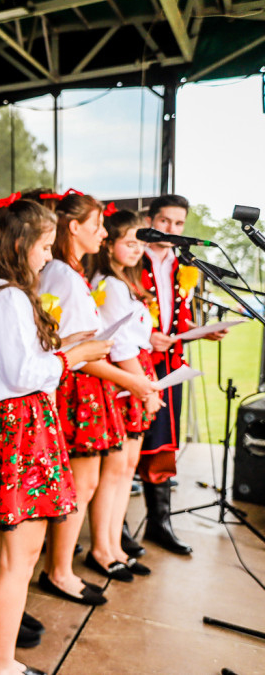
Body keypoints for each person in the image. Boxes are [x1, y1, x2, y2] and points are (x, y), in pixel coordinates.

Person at [0, 199, 112, 675]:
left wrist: (61, 346)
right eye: (44, 246)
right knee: (19, 558)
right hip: (19, 426)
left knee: (2, 551)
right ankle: (1, 665)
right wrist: (74, 356)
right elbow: (23, 372)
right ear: (20, 244)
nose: (48, 256)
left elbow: (10, 358)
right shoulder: (12, 297)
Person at [38, 193, 155, 605]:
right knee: (81, 483)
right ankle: (59, 569)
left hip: (91, 382)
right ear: (74, 228)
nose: (103, 233)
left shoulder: (71, 272)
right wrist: (133, 381)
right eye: (98, 226)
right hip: (81, 383)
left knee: (85, 483)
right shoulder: (64, 275)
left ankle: (64, 564)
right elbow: (72, 352)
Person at [139, 194, 227, 555]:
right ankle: (115, 531)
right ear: (150, 218)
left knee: (162, 442)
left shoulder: (182, 265)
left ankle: (159, 522)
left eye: (178, 224)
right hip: (132, 364)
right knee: (123, 449)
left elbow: (180, 317)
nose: (172, 230)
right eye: (165, 222)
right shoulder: (130, 255)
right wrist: (145, 337)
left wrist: (202, 330)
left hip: (170, 365)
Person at [88, 208, 164, 577]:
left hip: (137, 371)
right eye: (128, 242)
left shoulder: (125, 283)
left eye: (140, 243)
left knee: (128, 468)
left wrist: (152, 339)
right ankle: (102, 548)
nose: (136, 250)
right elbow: (119, 346)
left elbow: (132, 336)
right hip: (125, 375)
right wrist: (145, 388)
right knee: (115, 471)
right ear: (110, 245)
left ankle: (115, 545)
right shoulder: (110, 285)